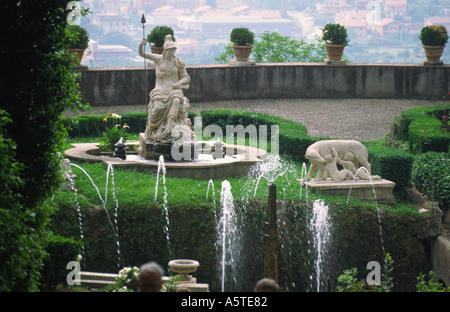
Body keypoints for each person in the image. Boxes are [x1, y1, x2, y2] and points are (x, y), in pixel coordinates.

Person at [139, 35, 194, 142]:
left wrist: (179, 83)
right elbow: (142, 54)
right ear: (165, 50)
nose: (172, 53)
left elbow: (186, 77)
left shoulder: (178, 62)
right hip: (160, 90)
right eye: (170, 51)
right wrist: (141, 45)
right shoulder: (158, 59)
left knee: (177, 100)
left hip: (174, 90)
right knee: (157, 108)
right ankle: (153, 128)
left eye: (174, 50)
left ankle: (169, 127)